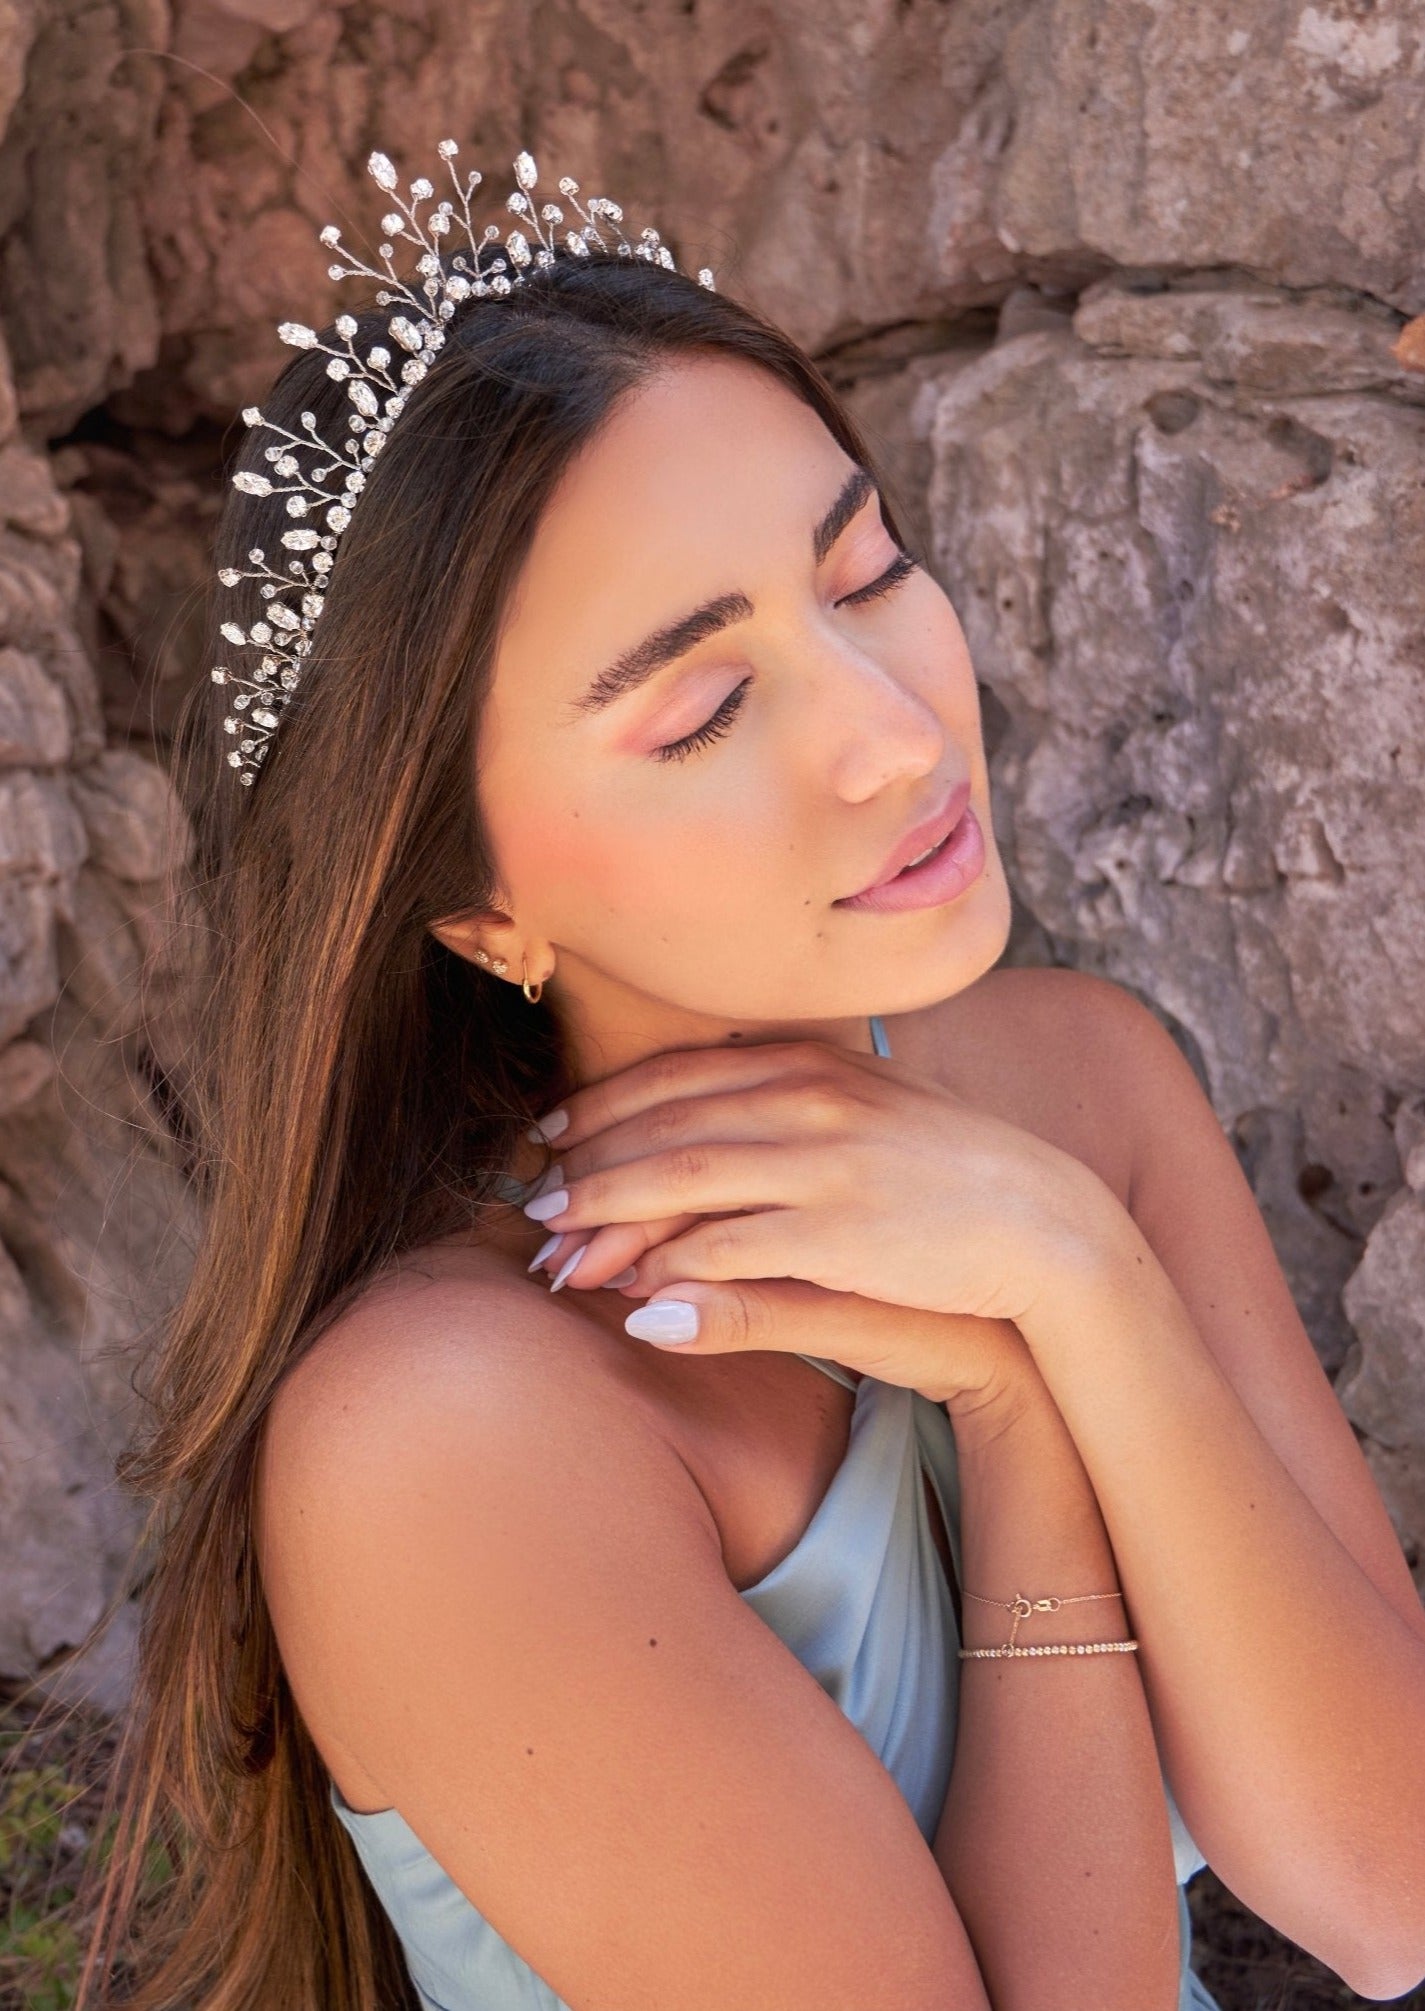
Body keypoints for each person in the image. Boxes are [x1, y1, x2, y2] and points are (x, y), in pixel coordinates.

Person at [75, 148, 1425, 2011]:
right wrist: (1023, 1417)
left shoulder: (1077, 1091)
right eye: (702, 711)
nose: (892, 732)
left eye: (864, 574)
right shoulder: (450, 1434)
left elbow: (1383, 1886)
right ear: (472, 908)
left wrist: (1078, 1274)